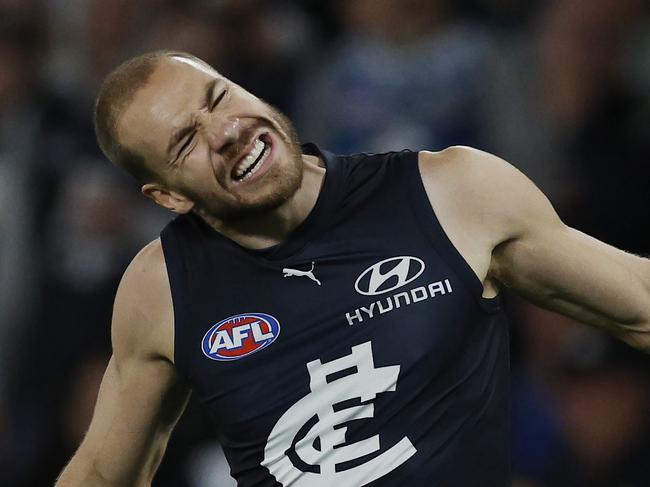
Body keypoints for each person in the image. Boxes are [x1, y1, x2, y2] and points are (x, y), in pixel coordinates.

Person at [55, 51, 650, 487]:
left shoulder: (451, 194)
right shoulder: (161, 287)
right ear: (168, 197)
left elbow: (640, 305)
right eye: (187, 141)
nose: (228, 132)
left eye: (220, 98)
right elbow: (106, 471)